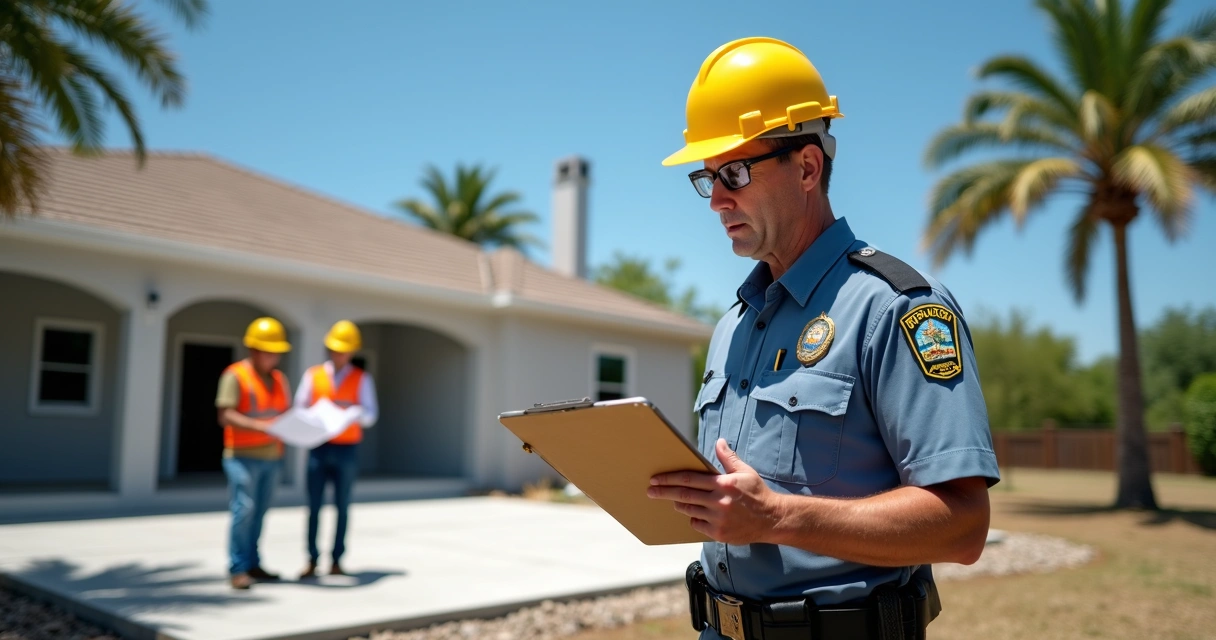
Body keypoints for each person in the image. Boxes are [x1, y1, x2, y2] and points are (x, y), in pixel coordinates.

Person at [647, 37, 1000, 640]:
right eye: (708, 178)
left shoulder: (897, 307)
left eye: (734, 171)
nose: (719, 200)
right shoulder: (733, 325)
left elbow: (963, 526)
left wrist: (778, 516)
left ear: (807, 167)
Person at [293, 320, 378, 579]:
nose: (338, 354)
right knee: (314, 506)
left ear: (351, 351)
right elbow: (299, 408)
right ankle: (311, 559)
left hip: (347, 450)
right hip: (319, 447)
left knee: (342, 506)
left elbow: (371, 414)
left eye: (343, 350)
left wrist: (353, 414)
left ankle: (337, 560)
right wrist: (316, 416)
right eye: (334, 349)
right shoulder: (313, 375)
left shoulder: (361, 378)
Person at [216, 317, 293, 590]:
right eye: (269, 351)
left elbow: (285, 414)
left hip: (272, 457)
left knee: (259, 512)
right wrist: (261, 426)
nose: (274, 357)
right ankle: (237, 568)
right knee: (244, 509)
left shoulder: (280, 379)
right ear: (254, 349)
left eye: (277, 352)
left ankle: (253, 563)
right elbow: (225, 415)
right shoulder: (235, 375)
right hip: (241, 455)